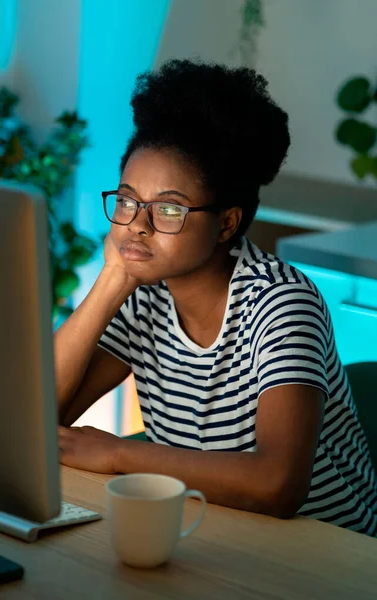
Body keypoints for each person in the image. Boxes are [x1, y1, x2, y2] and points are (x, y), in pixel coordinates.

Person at [55, 58, 377, 536]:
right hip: (211, 534)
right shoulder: (142, 295)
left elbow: (277, 484)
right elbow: (38, 421)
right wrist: (110, 282)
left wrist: (121, 452)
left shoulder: (283, 303)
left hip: (328, 551)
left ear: (226, 222)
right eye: (126, 201)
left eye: (168, 208)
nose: (137, 224)